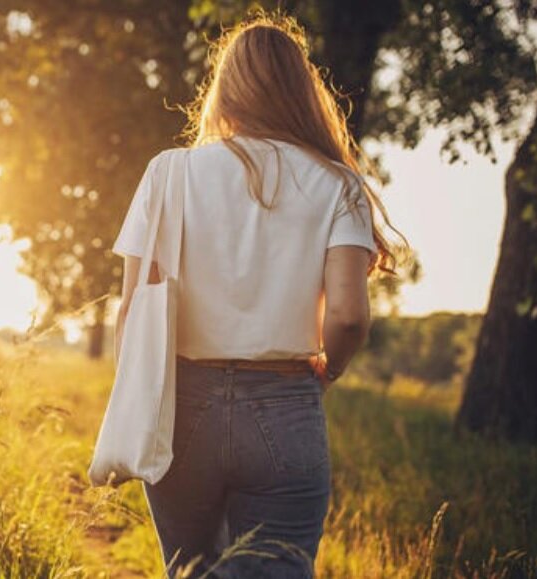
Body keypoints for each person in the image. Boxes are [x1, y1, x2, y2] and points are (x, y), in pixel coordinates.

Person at [109, 13, 404, 579]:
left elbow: (132, 310)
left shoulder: (168, 174)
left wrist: (139, 401)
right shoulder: (338, 183)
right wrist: (330, 370)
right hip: (285, 403)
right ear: (302, 91)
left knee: (191, 570)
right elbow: (346, 316)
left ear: (224, 89)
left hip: (181, 406)